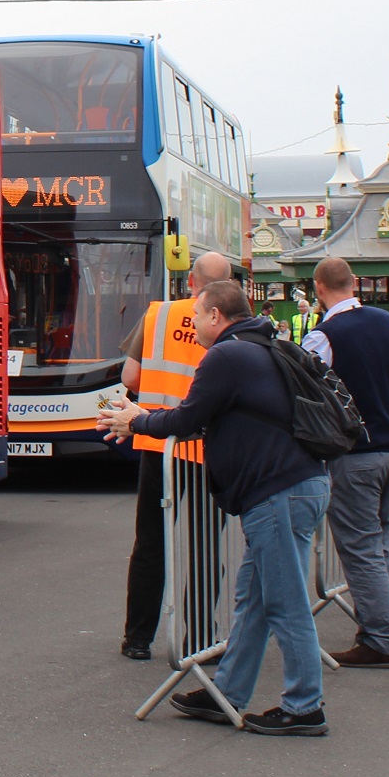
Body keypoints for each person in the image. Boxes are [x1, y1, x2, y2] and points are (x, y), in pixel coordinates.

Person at [97, 279, 332, 737]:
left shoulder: (225, 355)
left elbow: (188, 417)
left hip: (275, 492)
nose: (194, 323)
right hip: (298, 484)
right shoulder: (266, 344)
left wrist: (135, 420)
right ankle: (227, 692)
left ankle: (305, 706)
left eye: (198, 315)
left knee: (284, 603)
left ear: (215, 316)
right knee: (256, 600)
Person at [299, 257, 389, 670]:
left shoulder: (323, 336)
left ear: (318, 288)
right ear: (354, 283)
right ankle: (379, 624)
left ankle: (379, 638)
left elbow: (307, 398)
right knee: (382, 542)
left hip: (356, 454)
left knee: (361, 546)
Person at [117, 250, 234, 662]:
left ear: (192, 283)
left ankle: (137, 638)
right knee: (204, 545)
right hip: (210, 448)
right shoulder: (234, 323)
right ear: (230, 284)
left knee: (150, 540)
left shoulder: (158, 315)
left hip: (158, 445)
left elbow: (130, 377)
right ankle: (202, 637)